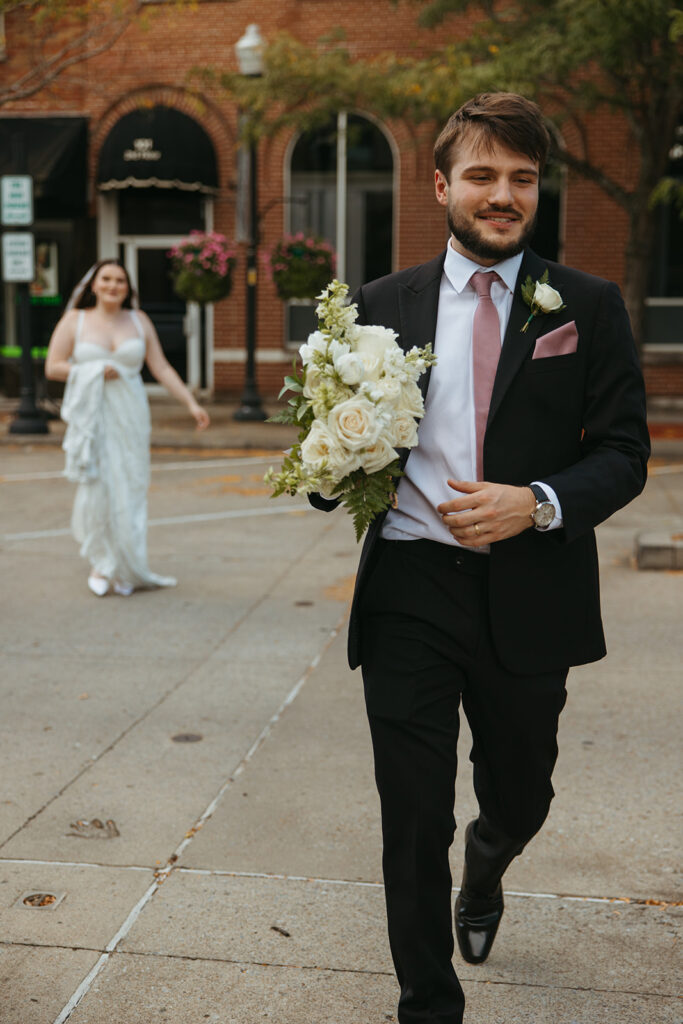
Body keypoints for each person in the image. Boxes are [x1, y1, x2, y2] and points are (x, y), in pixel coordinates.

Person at [310, 93, 649, 1023]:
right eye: (482, 177)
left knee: (520, 791)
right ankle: (427, 1003)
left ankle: (489, 858)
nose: (502, 196)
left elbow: (624, 454)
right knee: (408, 814)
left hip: (531, 591)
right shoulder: (378, 308)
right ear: (440, 186)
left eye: (521, 180)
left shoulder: (586, 304)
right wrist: (328, 458)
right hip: (410, 592)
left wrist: (535, 503)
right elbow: (327, 462)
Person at [45, 259, 209, 597]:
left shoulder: (139, 320)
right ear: (94, 285)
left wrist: (191, 404)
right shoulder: (75, 321)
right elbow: (53, 367)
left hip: (131, 413)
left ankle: (126, 565)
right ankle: (101, 563)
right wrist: (94, 369)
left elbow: (161, 367)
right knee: (100, 486)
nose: (112, 285)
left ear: (127, 288)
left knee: (130, 487)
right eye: (106, 279)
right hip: (94, 416)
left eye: (120, 280)